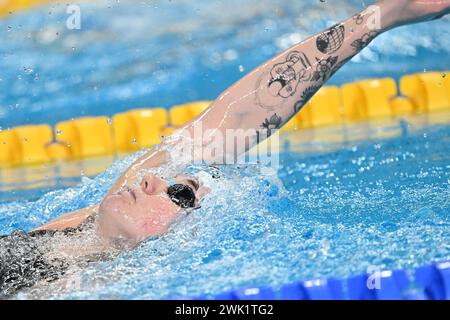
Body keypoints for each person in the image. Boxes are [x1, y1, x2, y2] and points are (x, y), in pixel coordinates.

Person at [1, 0, 449, 297]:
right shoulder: (75, 229)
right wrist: (378, 17)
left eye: (179, 195)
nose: (152, 179)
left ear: (180, 243)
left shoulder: (94, 286)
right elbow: (231, 120)